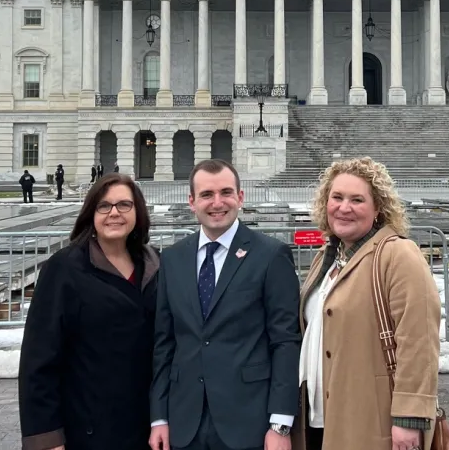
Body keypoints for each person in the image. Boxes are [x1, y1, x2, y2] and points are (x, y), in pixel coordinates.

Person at [150, 159, 301, 450]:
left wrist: (280, 424)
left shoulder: (270, 255)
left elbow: (285, 341)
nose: (217, 203)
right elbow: (164, 343)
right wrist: (159, 417)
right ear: (192, 202)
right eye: (207, 195)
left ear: (240, 198)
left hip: (249, 422)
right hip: (185, 424)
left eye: (226, 193)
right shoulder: (172, 259)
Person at [291, 157, 441, 450]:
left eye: (357, 199)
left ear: (378, 209)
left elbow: (418, 341)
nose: (344, 208)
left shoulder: (398, 255)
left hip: (372, 418)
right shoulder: (328, 256)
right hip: (320, 415)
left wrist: (409, 418)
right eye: (337, 197)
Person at [19, 174, 160, 450]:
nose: (114, 213)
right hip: (89, 426)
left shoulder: (155, 263)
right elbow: (39, 360)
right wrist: (46, 438)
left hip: (148, 424)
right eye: (104, 206)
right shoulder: (64, 269)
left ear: (138, 212)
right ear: (91, 214)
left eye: (124, 205)